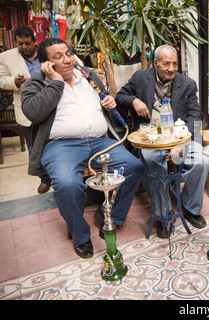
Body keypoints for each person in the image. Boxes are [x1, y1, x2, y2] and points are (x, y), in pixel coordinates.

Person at [21, 38, 144, 259]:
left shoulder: (87, 75)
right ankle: (80, 236)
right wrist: (56, 81)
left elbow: (104, 98)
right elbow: (34, 113)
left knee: (134, 166)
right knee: (67, 184)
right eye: (58, 57)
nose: (67, 60)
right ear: (45, 64)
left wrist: (109, 102)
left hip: (99, 140)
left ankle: (110, 216)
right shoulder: (36, 83)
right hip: (61, 146)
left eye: (68, 53)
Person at [116, 44, 209, 238]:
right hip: (151, 136)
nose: (171, 68)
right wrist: (134, 100)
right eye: (166, 63)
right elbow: (120, 96)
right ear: (155, 63)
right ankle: (163, 215)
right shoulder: (141, 78)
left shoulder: (188, 84)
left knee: (202, 161)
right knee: (154, 163)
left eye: (175, 64)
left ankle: (191, 207)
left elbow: (195, 115)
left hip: (181, 135)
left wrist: (181, 143)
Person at [0, 26, 51, 193]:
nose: (24, 47)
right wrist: (14, 81)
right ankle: (44, 178)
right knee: (34, 146)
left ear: (34, 41)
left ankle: (56, 174)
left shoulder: (46, 51)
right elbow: (1, 80)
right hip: (26, 108)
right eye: (20, 43)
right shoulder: (6, 57)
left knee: (54, 141)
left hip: (51, 104)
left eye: (27, 43)